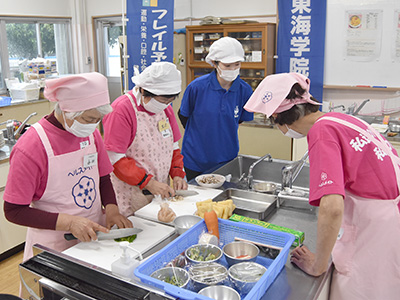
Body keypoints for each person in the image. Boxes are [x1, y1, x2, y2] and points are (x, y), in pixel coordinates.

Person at [243, 72, 400, 299]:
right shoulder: (341, 119)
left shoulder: (321, 132)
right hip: (389, 226)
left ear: (278, 116)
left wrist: (319, 263)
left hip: (374, 235)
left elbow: (332, 207)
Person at [3, 72, 133, 261]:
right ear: (67, 110)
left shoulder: (91, 135)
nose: (94, 126)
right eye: (89, 120)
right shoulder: (31, 146)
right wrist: (69, 222)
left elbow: (103, 178)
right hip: (54, 244)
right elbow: (14, 210)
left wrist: (112, 209)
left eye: (98, 120)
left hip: (94, 236)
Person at [102, 62, 187, 217]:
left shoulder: (165, 109)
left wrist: (177, 173)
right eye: (162, 101)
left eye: (170, 101)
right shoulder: (121, 110)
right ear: (143, 90)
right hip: (132, 192)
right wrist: (148, 182)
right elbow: (115, 159)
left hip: (159, 191)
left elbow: (173, 146)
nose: (166, 105)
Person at [178, 37, 254, 180]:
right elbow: (184, 115)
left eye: (237, 65)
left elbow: (240, 120)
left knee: (222, 199)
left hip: (226, 159)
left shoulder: (244, 90)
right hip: (195, 160)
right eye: (227, 65)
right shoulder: (197, 87)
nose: (233, 69)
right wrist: (201, 135)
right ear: (214, 63)